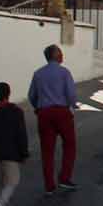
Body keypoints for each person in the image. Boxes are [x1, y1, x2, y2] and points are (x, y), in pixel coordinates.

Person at [27, 44, 79, 194]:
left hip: (44, 113)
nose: (63, 55)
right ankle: (64, 177)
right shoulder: (64, 73)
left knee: (47, 150)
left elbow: (32, 95)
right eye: (61, 53)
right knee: (69, 145)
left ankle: (49, 185)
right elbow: (71, 94)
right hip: (62, 112)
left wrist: (38, 107)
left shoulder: (38, 74)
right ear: (56, 56)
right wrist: (72, 105)